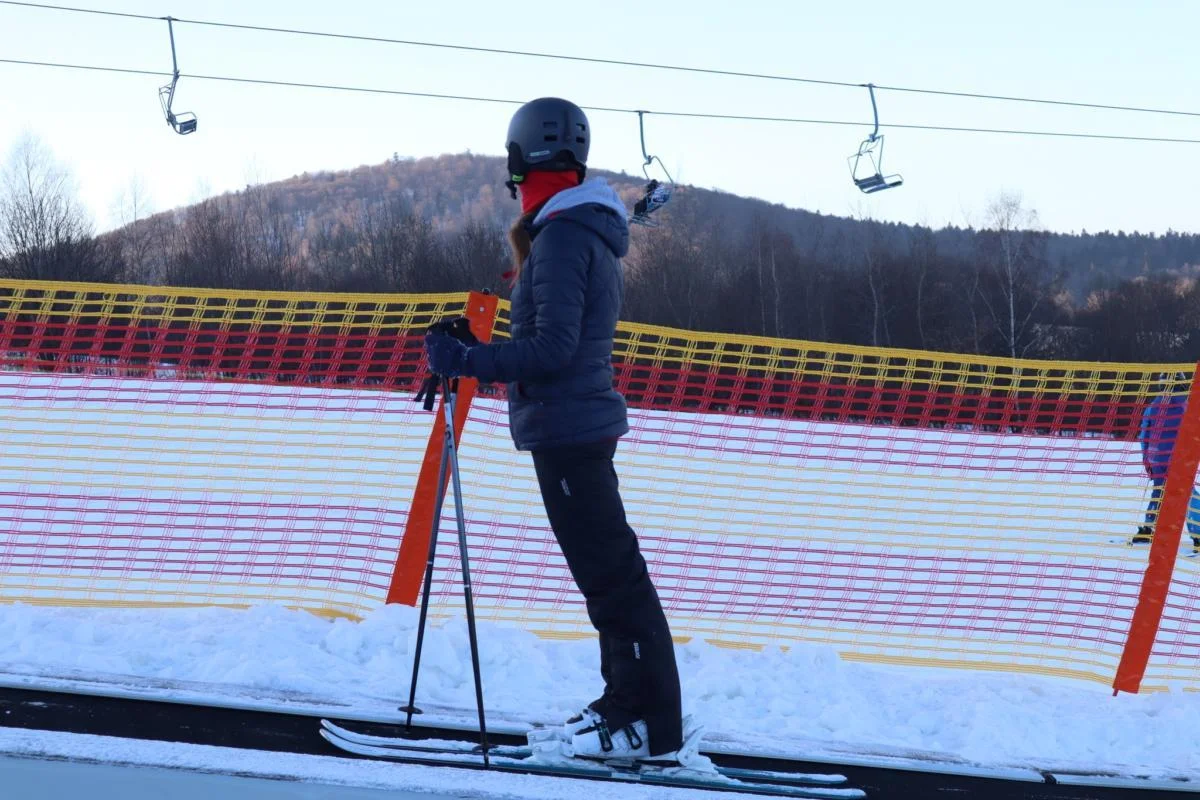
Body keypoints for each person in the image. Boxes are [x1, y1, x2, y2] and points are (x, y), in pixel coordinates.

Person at [423, 97, 685, 763]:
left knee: (612, 577)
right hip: (568, 424)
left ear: (526, 161)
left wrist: (473, 361)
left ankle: (644, 719)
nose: (512, 187)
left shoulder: (566, 235)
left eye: (513, 171)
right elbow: (544, 328)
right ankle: (628, 705)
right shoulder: (565, 229)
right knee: (609, 574)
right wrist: (472, 341)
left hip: (569, 427)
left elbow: (554, 349)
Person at [1131, 378, 1200, 553]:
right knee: (1187, 494)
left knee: (1159, 492)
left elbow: (1144, 434)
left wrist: (1146, 459)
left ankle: (1148, 528)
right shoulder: (1186, 407)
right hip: (1177, 460)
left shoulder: (1153, 406)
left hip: (1156, 458)